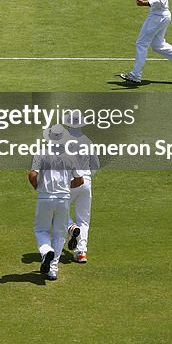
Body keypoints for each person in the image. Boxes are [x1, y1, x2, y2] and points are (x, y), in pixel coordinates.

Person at [29, 124, 81, 281]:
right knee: (59, 234)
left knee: (41, 230)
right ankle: (53, 270)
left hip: (45, 197)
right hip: (63, 199)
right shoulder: (71, 156)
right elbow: (79, 180)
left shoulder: (41, 154)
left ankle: (46, 252)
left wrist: (37, 186)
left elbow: (32, 175)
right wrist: (66, 186)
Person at [60, 111, 99, 264]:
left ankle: (70, 228)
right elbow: (96, 165)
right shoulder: (88, 141)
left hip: (68, 181)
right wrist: (87, 177)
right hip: (86, 182)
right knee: (84, 219)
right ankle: (81, 252)